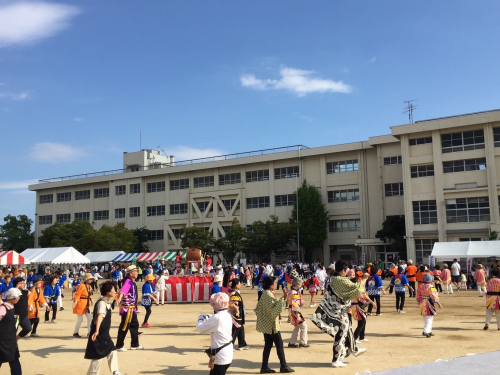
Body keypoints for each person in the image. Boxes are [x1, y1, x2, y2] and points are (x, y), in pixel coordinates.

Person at [311, 260, 366, 368]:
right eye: (346, 270)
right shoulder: (339, 280)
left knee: (347, 328)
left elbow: (350, 286)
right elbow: (356, 289)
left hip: (339, 310)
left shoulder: (334, 278)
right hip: (337, 311)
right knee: (341, 334)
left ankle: (354, 349)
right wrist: (364, 279)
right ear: (343, 270)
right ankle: (336, 359)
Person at [254, 275, 294, 373]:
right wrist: (283, 298)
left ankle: (264, 366)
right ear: (271, 285)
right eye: (274, 283)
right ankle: (283, 366)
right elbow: (273, 311)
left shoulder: (266, 294)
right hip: (271, 324)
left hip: (267, 324)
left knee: (268, 345)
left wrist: (282, 298)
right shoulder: (268, 295)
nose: (276, 284)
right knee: (279, 344)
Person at [85, 281, 125, 375]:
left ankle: (115, 371)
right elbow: (99, 317)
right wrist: (96, 331)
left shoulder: (106, 301)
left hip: (104, 333)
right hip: (99, 333)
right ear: (107, 291)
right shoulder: (102, 303)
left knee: (112, 350)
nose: (115, 291)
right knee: (97, 356)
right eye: (113, 290)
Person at [197, 293, 233, 375]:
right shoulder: (227, 315)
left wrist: (200, 319)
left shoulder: (217, 317)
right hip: (226, 352)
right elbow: (217, 320)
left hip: (220, 355)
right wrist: (211, 316)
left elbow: (200, 328)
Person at [116, 265, 142, 351]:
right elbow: (123, 291)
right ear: (131, 274)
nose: (137, 273)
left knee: (135, 325)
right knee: (124, 326)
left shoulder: (133, 282)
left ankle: (134, 344)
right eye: (136, 272)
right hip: (127, 308)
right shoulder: (128, 281)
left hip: (132, 308)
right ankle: (119, 345)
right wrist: (119, 298)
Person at [0, 288, 23, 375]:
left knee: (14, 361)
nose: (19, 298)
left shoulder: (13, 307)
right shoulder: (2, 308)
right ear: (12, 297)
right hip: (2, 341)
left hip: (11, 340)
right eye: (18, 296)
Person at [349, 272, 375, 343]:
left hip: (355, 305)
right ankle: (354, 338)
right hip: (356, 306)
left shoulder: (351, 287)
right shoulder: (356, 288)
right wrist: (372, 302)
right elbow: (363, 296)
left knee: (363, 320)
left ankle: (362, 337)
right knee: (362, 321)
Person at [416, 273, 443, 338]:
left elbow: (418, 295)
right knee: (429, 317)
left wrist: (419, 302)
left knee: (426, 317)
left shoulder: (421, 286)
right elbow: (434, 296)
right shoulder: (430, 286)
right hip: (428, 302)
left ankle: (429, 330)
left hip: (422, 302)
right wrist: (439, 303)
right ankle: (425, 331)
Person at [287, 277, 309, 348]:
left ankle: (292, 342)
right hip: (295, 311)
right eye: (301, 284)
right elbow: (296, 305)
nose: (302, 285)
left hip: (291, 310)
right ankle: (303, 342)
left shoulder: (291, 291)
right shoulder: (295, 292)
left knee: (297, 327)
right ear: (298, 284)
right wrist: (298, 316)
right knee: (303, 326)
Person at [228, 279, 250, 351]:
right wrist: (237, 311)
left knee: (240, 329)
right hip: (235, 316)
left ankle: (242, 343)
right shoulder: (234, 294)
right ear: (236, 285)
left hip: (237, 315)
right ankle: (229, 345)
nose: (240, 285)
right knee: (235, 330)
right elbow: (234, 304)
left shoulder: (234, 293)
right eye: (239, 284)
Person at [73, 273, 95, 338]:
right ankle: (75, 332)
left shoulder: (90, 287)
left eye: (91, 279)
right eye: (89, 279)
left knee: (90, 318)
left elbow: (89, 295)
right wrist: (76, 301)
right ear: (86, 279)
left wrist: (91, 300)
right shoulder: (81, 286)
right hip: (81, 303)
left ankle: (89, 332)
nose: (90, 280)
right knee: (80, 319)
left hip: (87, 304)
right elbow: (77, 294)